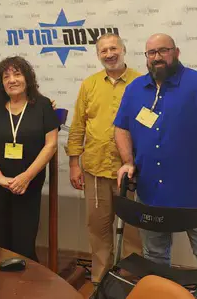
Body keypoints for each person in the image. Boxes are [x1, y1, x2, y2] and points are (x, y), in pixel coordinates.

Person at [114, 33, 197, 299]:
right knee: (155, 255)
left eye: (163, 50)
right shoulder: (134, 89)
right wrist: (127, 162)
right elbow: (121, 127)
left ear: (176, 52)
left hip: (195, 193)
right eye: (151, 53)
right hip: (150, 193)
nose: (157, 57)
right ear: (146, 57)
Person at [66, 33, 143, 284]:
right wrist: (74, 164)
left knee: (133, 231)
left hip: (132, 172)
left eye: (114, 48)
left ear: (123, 50)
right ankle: (100, 282)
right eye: (103, 50)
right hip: (95, 171)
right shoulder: (89, 84)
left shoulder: (141, 82)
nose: (109, 54)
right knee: (98, 230)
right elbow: (77, 126)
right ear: (98, 55)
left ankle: (131, 283)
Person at [0, 56, 59, 261]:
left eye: (17, 74)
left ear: (27, 78)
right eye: (6, 76)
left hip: (27, 186)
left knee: (24, 244)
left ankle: (26, 288)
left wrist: (26, 177)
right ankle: (4, 288)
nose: (12, 80)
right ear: (1, 82)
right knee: (1, 242)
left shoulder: (42, 105)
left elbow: (51, 144)